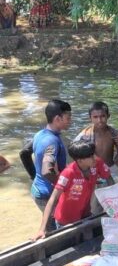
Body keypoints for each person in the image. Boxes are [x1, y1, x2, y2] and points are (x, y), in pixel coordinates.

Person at [32, 141, 114, 240]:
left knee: (89, 244)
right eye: (91, 156)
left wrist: (115, 205)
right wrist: (42, 229)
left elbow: (110, 180)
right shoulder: (68, 174)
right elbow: (53, 200)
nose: (94, 158)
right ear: (80, 161)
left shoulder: (97, 164)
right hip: (65, 222)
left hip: (86, 216)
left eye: (93, 154)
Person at [19, 99, 72, 231]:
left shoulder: (40, 134)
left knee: (50, 226)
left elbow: (24, 153)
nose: (70, 120)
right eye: (68, 117)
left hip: (38, 189)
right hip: (46, 195)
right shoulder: (52, 141)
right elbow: (47, 171)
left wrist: (33, 176)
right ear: (57, 118)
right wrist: (63, 187)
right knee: (54, 231)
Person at [74, 101, 118, 182]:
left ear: (108, 116)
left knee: (115, 193)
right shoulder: (84, 136)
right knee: (94, 193)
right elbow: (75, 154)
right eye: (95, 117)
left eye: (102, 116)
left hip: (111, 169)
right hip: (92, 172)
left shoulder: (114, 133)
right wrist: (85, 173)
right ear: (90, 118)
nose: (99, 120)